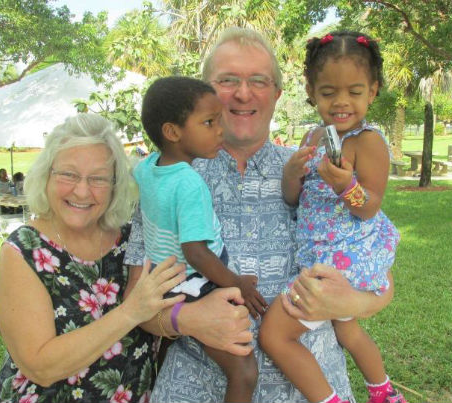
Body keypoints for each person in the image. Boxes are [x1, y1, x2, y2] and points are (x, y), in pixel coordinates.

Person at [124, 27, 394, 402]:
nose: (243, 93)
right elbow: (135, 303)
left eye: (258, 81)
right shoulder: (166, 180)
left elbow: (378, 277)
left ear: (278, 95)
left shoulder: (314, 172)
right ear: (204, 93)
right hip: (196, 389)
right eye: (227, 80)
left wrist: (354, 303)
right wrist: (187, 320)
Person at [0, 113, 190, 403]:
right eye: (69, 174)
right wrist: (131, 311)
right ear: (47, 175)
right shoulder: (23, 250)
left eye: (98, 178)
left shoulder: (134, 241)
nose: (82, 191)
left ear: (114, 186)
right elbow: (40, 366)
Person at [259, 31, 406, 403]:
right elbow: (296, 200)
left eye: (354, 92)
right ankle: (383, 392)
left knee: (274, 336)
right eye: (328, 93)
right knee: (348, 333)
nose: (341, 103)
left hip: (343, 260)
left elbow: (370, 205)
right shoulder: (312, 136)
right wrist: (293, 174)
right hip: (322, 252)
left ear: (373, 91)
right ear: (310, 90)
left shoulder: (367, 141)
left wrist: (346, 186)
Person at [136, 76, 265, 402]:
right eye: (209, 122)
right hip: (195, 282)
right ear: (173, 132)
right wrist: (237, 283)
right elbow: (195, 252)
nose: (220, 130)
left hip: (165, 281)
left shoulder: (147, 168)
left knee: (168, 345)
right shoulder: (189, 183)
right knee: (244, 372)